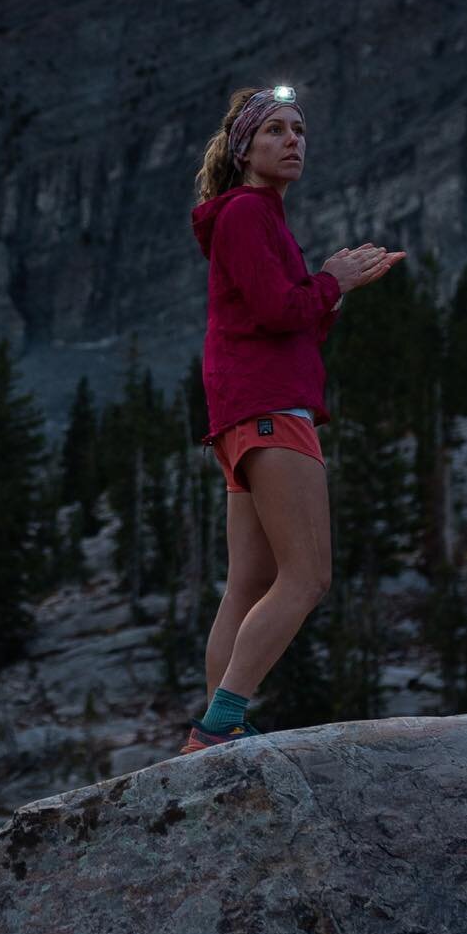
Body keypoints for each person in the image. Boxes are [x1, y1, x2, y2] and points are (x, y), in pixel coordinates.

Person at [182, 83, 405, 755]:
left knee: (249, 582)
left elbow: (289, 325)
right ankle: (221, 722)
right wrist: (333, 279)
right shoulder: (249, 214)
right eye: (276, 130)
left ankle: (218, 731)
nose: (293, 142)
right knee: (308, 576)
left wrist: (336, 290)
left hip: (245, 413)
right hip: (270, 411)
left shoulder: (253, 217)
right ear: (244, 147)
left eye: (300, 131)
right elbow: (282, 313)